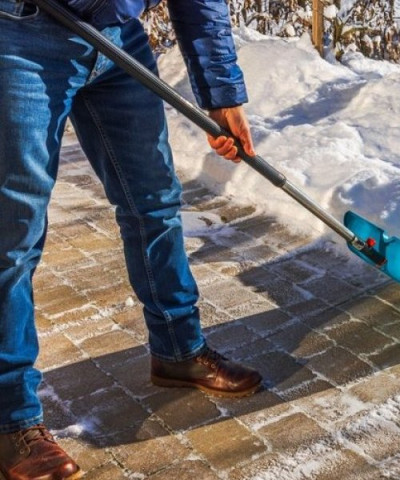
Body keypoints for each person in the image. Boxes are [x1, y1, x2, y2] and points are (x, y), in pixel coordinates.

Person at [0, 0, 263, 477]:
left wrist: (222, 93)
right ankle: (10, 417)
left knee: (155, 202)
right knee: (13, 235)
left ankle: (178, 349)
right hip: (22, 35)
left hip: (117, 35)